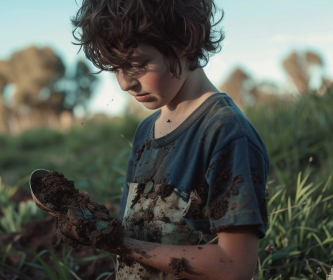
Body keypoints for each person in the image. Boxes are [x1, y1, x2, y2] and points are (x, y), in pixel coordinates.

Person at [61, 0, 270, 279]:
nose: (124, 83)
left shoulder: (226, 134)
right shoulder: (145, 131)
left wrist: (119, 243)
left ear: (185, 42)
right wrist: (94, 220)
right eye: (116, 68)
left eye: (137, 64)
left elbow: (234, 266)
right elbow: (133, 229)